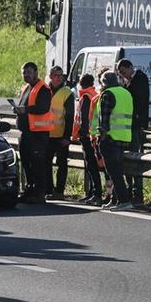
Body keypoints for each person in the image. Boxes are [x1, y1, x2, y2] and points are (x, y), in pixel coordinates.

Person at [14, 61, 52, 204]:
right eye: (24, 73)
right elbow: (24, 106)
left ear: (36, 73)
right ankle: (29, 189)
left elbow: (43, 107)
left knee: (38, 164)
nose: (26, 75)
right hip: (26, 132)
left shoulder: (43, 88)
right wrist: (18, 109)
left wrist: (26, 110)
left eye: (29, 72)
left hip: (38, 133)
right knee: (26, 162)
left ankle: (39, 192)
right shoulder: (26, 88)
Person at [95, 70, 134, 211]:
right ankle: (116, 199)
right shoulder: (125, 93)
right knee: (117, 170)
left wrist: (102, 136)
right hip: (124, 137)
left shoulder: (107, 94)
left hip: (110, 138)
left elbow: (104, 119)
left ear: (104, 82)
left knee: (113, 172)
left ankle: (123, 200)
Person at [118, 58, 150, 204]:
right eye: (121, 74)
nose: (123, 76)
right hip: (128, 126)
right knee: (128, 159)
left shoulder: (140, 79)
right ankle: (131, 190)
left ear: (130, 67)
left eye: (124, 72)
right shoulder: (130, 81)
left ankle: (137, 193)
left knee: (135, 158)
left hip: (135, 125)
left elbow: (138, 101)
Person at [73, 74, 103, 204]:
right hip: (92, 135)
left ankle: (96, 193)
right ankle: (92, 192)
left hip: (87, 136)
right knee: (92, 166)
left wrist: (81, 133)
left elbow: (85, 118)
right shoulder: (93, 93)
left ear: (81, 83)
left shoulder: (86, 96)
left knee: (91, 166)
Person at [46, 65, 74, 198]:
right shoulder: (45, 90)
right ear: (50, 76)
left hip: (61, 135)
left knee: (61, 164)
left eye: (60, 75)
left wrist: (67, 137)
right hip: (46, 134)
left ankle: (59, 191)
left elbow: (70, 117)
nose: (58, 78)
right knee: (46, 163)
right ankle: (48, 189)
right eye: (55, 75)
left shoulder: (67, 93)